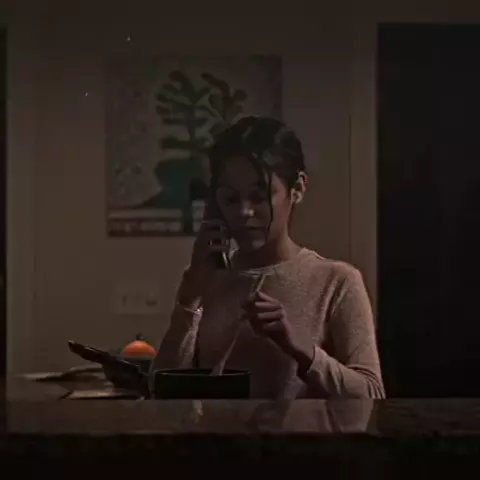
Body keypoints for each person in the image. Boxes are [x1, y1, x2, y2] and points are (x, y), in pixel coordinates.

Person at [152, 116, 385, 399]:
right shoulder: (206, 279)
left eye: (259, 196)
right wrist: (189, 299)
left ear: (297, 189)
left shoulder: (338, 282)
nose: (244, 212)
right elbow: (161, 394)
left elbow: (372, 395)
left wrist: (304, 351)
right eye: (231, 199)